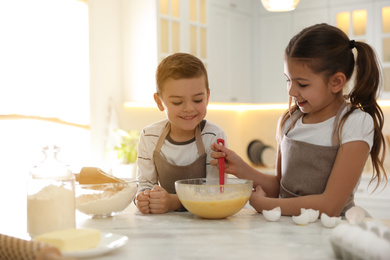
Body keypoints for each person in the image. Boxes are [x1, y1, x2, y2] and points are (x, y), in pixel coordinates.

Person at [211, 23, 387, 217]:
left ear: (336, 82)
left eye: (302, 83)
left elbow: (330, 206)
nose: (291, 91)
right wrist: (241, 168)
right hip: (290, 231)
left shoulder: (354, 123)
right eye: (288, 80)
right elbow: (281, 187)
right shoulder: (289, 121)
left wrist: (265, 205)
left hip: (332, 230)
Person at [135, 53, 228, 214]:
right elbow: (144, 184)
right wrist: (142, 198)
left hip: (205, 224)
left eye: (198, 100)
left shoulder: (213, 137)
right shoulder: (149, 136)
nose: (189, 108)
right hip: (163, 227)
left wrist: (173, 202)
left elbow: (215, 192)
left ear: (207, 97)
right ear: (159, 102)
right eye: (177, 102)